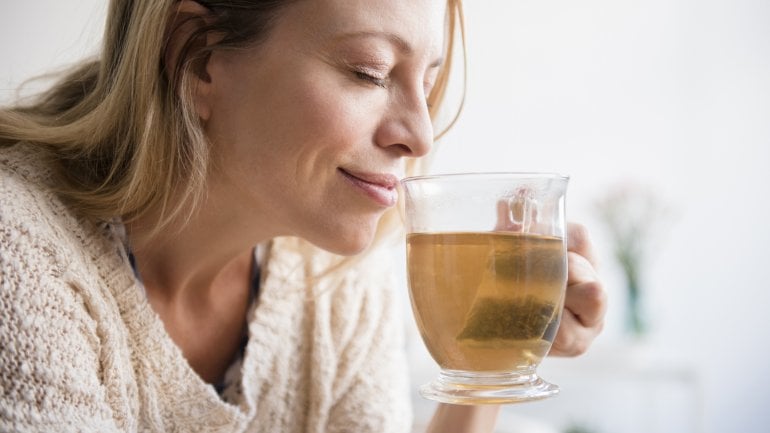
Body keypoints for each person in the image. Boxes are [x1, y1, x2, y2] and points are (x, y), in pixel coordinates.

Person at [0, 0, 607, 432]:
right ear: (196, 57)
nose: (420, 136)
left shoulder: (338, 279)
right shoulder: (19, 258)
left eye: (428, 81)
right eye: (368, 72)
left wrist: (486, 361)